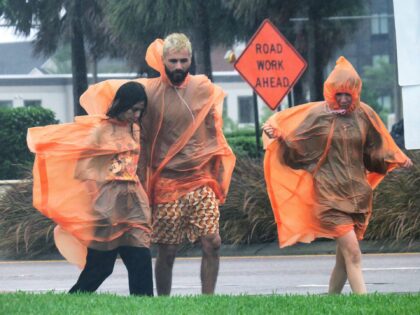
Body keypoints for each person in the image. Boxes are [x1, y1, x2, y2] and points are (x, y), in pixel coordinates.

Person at [262, 56, 412, 294]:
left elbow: (375, 150)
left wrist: (396, 158)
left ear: (355, 92)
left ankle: (331, 299)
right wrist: (282, 139)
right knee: (353, 252)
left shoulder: (365, 115)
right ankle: (364, 305)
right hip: (329, 198)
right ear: (331, 92)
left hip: (358, 198)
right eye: (338, 94)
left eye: (347, 94)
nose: (343, 99)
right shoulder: (319, 116)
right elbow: (298, 151)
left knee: (344, 258)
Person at [27, 81, 153, 296]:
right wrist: (99, 196)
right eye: (134, 109)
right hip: (106, 207)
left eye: (141, 110)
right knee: (101, 267)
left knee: (140, 259)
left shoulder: (135, 128)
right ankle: (73, 300)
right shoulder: (100, 130)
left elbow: (133, 164)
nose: (137, 114)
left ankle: (146, 306)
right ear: (122, 104)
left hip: (134, 204)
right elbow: (83, 169)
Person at [139, 33, 236, 295]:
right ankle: (164, 303)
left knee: (212, 242)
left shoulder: (204, 87)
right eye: (173, 61)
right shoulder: (151, 92)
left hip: (200, 178)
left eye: (184, 60)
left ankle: (208, 301)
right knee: (167, 250)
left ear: (191, 59)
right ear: (163, 61)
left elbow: (214, 130)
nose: (179, 66)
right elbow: (144, 141)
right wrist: (141, 186)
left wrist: (217, 172)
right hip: (167, 182)